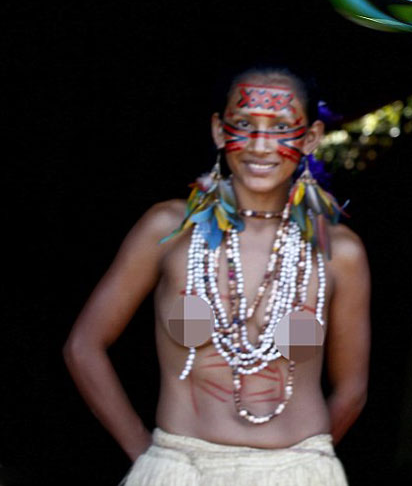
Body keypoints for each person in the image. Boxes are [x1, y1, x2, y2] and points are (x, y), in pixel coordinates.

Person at [64, 67, 371, 485]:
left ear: (311, 138)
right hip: (179, 466)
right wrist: (147, 456)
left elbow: (352, 390)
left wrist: (299, 466)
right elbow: (84, 346)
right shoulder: (169, 230)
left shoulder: (338, 252)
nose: (261, 145)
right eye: (244, 124)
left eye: (281, 127)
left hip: (297, 469)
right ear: (218, 129)